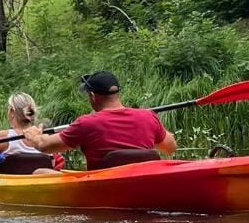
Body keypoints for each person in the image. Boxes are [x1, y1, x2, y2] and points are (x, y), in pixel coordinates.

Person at [22, 71, 177, 172]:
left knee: (39, 172)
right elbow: (170, 148)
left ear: (92, 96)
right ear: (117, 94)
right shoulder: (147, 117)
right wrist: (150, 127)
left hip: (102, 187)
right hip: (142, 183)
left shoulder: (86, 123)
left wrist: (34, 136)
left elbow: (45, 146)